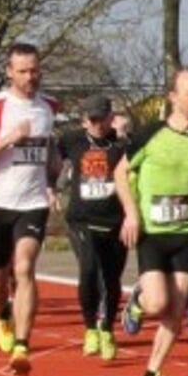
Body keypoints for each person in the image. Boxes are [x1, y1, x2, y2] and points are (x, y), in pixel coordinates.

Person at [116, 71, 188, 376]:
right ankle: (137, 302)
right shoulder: (150, 135)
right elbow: (120, 172)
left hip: (187, 233)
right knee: (158, 303)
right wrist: (131, 214)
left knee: (175, 311)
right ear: (173, 97)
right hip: (153, 233)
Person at [0, 43, 60, 376]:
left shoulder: (49, 107)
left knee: (25, 268)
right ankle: (0, 311)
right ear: (9, 72)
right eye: (23, 71)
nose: (30, 77)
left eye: (34, 70)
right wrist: (7, 141)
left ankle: (22, 345)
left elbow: (49, 154)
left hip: (32, 204)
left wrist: (54, 175)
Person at [56, 96, 128, 361]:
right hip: (82, 219)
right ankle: (90, 329)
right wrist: (52, 188)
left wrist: (125, 135)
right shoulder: (72, 140)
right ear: (84, 120)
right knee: (88, 270)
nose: (98, 125)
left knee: (111, 279)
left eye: (102, 119)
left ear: (111, 118)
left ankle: (107, 328)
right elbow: (50, 160)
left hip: (114, 220)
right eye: (92, 120)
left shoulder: (121, 144)